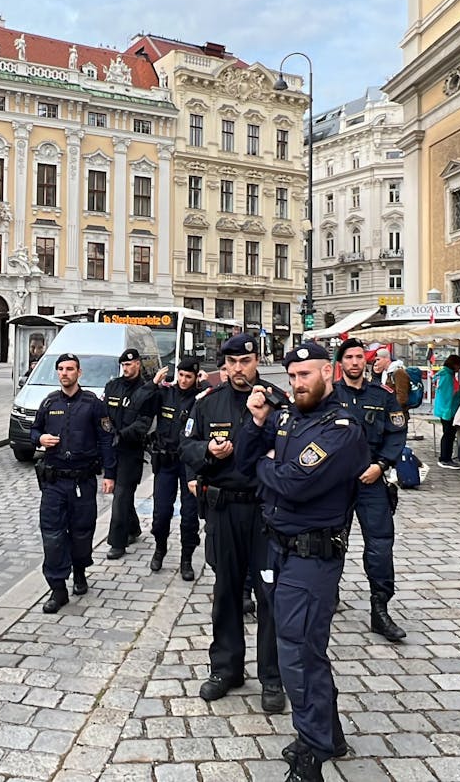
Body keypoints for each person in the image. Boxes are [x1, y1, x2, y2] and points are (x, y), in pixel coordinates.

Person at [235, 341, 367, 782]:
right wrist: (257, 425)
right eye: (291, 377)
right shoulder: (289, 416)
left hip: (313, 556)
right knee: (304, 649)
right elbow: (246, 458)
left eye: (305, 375)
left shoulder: (342, 427)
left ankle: (312, 753)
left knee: (296, 655)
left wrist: (268, 469)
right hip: (280, 549)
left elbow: (294, 484)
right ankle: (329, 734)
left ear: (327, 372)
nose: (296, 384)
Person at [181, 333, 284, 712]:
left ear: (257, 360)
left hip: (265, 512)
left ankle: (272, 677)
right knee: (226, 593)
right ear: (223, 364)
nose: (238, 369)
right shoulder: (208, 404)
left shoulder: (276, 401)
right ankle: (226, 669)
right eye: (231, 363)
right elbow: (186, 447)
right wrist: (208, 450)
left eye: (245, 361)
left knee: (270, 596)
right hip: (223, 510)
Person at [330, 338, 408, 642]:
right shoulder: (329, 396)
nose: (354, 362)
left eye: (359, 357)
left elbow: (396, 433)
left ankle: (380, 609)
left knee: (380, 545)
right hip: (335, 484)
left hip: (371, 480)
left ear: (366, 361)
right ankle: (328, 593)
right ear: (341, 363)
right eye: (348, 357)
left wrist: (381, 465)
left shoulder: (383, 395)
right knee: (330, 541)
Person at [29, 353, 116, 613]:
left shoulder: (92, 404)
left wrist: (110, 474)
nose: (65, 373)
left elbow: (106, 439)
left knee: (81, 532)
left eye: (70, 369)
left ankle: (79, 571)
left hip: (82, 481)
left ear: (79, 373)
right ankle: (57, 588)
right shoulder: (49, 402)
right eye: (61, 369)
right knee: (53, 535)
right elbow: (34, 430)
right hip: (54, 482)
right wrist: (40, 439)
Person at [148, 358, 202, 579]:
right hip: (166, 461)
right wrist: (153, 384)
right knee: (161, 513)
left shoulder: (201, 399)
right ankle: (160, 547)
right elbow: (140, 404)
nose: (183, 380)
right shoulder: (165, 393)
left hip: (189, 464)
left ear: (195, 378)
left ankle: (186, 558)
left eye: (188, 376)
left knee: (189, 516)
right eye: (181, 375)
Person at [102, 348, 157, 560]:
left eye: (130, 364)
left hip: (131, 450)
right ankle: (133, 528)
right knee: (124, 497)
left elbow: (144, 422)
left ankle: (117, 542)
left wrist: (122, 435)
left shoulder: (146, 390)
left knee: (121, 494)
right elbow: (104, 415)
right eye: (123, 365)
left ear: (138, 365)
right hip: (112, 448)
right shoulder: (112, 386)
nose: (126, 368)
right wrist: (107, 435)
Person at [432, 354, 460, 469]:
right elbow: (447, 397)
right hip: (448, 411)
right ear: (454, 365)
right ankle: (445, 459)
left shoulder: (444, 374)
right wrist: (448, 413)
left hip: (447, 410)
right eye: (459, 366)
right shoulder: (446, 376)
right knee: (448, 435)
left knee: (449, 434)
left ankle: (446, 457)